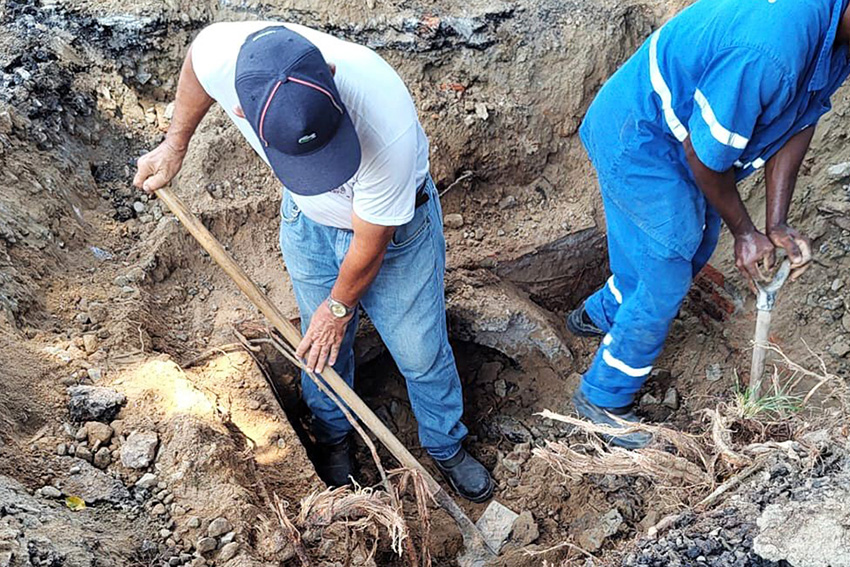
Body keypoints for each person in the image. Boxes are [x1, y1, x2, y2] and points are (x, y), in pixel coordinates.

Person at [133, 22, 493, 502]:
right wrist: (174, 144)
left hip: (394, 237)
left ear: (332, 74)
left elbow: (372, 243)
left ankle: (445, 444)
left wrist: (338, 309)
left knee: (419, 351)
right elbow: (197, 63)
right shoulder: (225, 58)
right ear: (241, 110)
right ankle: (332, 435)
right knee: (321, 351)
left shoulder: (383, 117)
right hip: (309, 227)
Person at [567, 0, 850, 448]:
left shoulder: (834, 36)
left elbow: (801, 119)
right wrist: (745, 233)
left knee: (692, 246)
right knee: (665, 271)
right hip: (640, 132)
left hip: (678, 131)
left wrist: (775, 222)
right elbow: (703, 155)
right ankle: (603, 397)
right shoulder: (771, 50)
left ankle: (601, 314)